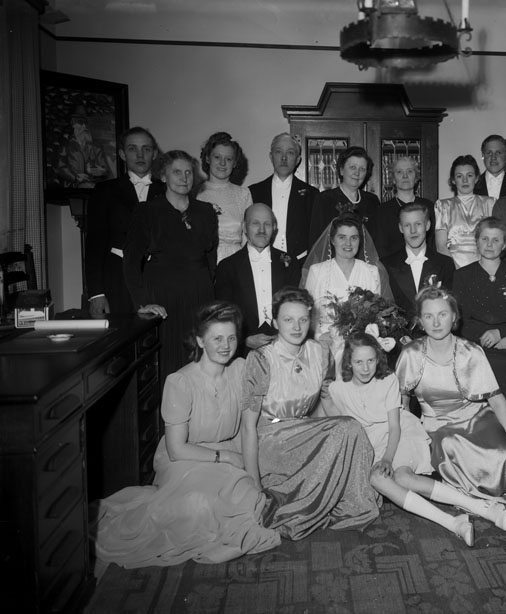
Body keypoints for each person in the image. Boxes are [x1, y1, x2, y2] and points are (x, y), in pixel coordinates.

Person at [94, 301, 280, 568]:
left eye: (231, 338)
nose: (225, 345)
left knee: (247, 500)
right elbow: (176, 449)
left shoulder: (241, 369)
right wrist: (226, 457)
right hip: (187, 458)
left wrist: (254, 480)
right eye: (217, 338)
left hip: (230, 449)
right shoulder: (180, 382)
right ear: (200, 341)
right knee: (200, 506)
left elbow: (250, 424)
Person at [395, 286, 506, 516]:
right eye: (428, 316)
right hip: (437, 428)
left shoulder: (471, 351)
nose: (436, 322)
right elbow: (402, 403)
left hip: (478, 421)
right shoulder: (411, 354)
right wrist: (408, 441)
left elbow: (498, 400)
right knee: (450, 443)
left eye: (442, 314)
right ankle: (475, 499)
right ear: (420, 321)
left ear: (454, 317)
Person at [240, 287, 380, 540]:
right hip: (271, 440)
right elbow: (248, 427)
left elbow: (326, 403)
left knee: (350, 427)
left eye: (303, 320)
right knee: (346, 429)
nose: (297, 327)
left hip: (303, 433)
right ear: (275, 322)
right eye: (288, 320)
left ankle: (348, 502)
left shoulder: (320, 352)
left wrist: (353, 431)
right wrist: (253, 485)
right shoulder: (260, 359)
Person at [328, 332, 485, 546]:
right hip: (371, 445)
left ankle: (476, 506)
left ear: (378, 359)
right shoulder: (337, 389)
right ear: (348, 362)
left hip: (399, 434)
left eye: (370, 361)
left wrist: (387, 458)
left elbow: (395, 427)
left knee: (403, 477)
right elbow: (339, 429)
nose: (365, 368)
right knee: (377, 478)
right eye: (359, 362)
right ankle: (454, 522)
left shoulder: (387, 380)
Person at [124, 150, 218, 379]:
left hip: (199, 294)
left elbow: (211, 258)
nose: (184, 178)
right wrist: (143, 302)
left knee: (200, 359)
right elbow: (131, 262)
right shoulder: (147, 211)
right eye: (177, 172)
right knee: (168, 362)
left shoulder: (206, 211)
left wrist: (208, 292)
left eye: (188, 172)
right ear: (163, 176)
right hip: (162, 296)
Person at [452, 217, 506, 445]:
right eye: (484, 239)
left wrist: (504, 334)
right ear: (477, 241)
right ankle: (489, 444)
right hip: (475, 344)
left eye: (496, 240)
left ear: (505, 244)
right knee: (490, 368)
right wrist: (486, 337)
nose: (490, 244)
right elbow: (459, 319)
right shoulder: (463, 275)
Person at [86, 126, 165, 317]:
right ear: (122, 154)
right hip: (117, 282)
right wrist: (96, 294)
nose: (140, 155)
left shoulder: (166, 190)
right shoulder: (105, 191)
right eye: (132, 149)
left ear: (154, 154)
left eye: (146, 149)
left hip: (158, 281)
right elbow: (94, 246)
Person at [215, 203, 294, 351]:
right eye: (255, 223)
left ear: (274, 228)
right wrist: (243, 340)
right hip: (242, 351)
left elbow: (295, 308)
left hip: (284, 348)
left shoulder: (290, 263)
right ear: (244, 227)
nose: (262, 230)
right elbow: (223, 315)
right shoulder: (227, 267)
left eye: (267, 224)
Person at [303, 213, 386, 342]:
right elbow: (307, 314)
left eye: (354, 238)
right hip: (325, 343)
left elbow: (377, 315)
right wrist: (319, 337)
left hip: (361, 344)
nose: (348, 243)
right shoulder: (316, 271)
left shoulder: (372, 272)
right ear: (332, 240)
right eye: (342, 237)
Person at [248, 133, 319, 281]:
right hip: (262, 264)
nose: (284, 158)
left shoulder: (311, 194)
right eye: (278, 152)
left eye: (290, 153)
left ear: (298, 159)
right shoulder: (254, 191)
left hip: (300, 267)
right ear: (271, 156)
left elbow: (315, 236)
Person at [382, 201, 455, 318]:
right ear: (400, 228)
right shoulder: (386, 265)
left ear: (428, 225)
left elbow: (450, 307)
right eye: (407, 225)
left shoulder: (445, 263)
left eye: (418, 224)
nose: (413, 230)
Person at [196, 132, 253, 263]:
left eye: (228, 159)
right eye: (217, 157)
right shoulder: (195, 193)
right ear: (207, 158)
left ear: (234, 163)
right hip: (202, 262)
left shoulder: (243, 194)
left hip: (235, 261)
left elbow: (248, 237)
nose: (222, 163)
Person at [307, 146, 379, 249]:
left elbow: (377, 241)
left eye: (362, 169)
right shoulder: (324, 199)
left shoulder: (372, 201)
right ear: (341, 170)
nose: (357, 173)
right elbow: (316, 242)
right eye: (352, 167)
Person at [434, 155, 495, 269]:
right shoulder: (443, 206)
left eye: (469, 175)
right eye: (459, 176)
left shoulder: (490, 203)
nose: (465, 180)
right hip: (453, 268)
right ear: (453, 180)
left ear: (476, 178)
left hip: (484, 267)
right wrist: (458, 271)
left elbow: (495, 241)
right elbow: (441, 246)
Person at [372, 157, 436, 260]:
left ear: (416, 177)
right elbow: (380, 249)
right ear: (393, 179)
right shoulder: (382, 211)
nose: (405, 176)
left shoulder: (428, 206)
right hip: (392, 266)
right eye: (399, 172)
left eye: (409, 171)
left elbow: (433, 243)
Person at [56, 105, 111, 188]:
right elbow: (60, 167)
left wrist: (102, 172)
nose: (84, 127)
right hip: (73, 187)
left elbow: (105, 170)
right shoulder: (66, 145)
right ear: (73, 124)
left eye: (86, 123)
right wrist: (75, 177)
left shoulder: (96, 147)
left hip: (94, 187)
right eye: (80, 122)